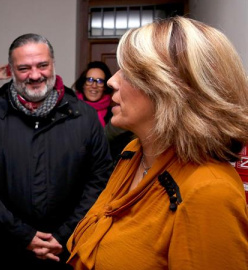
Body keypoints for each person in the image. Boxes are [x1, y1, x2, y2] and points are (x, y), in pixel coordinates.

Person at [66, 16, 248, 270]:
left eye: (128, 72)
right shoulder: (135, 153)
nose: (111, 82)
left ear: (171, 89)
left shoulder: (209, 192)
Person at [0, 33, 112, 270]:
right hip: (4, 251)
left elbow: (99, 181)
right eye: (24, 68)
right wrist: (23, 235)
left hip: (67, 250)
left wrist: (63, 234)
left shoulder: (85, 117)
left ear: (53, 64)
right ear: (11, 71)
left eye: (42, 65)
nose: (35, 75)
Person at [73, 61, 133, 159]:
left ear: (105, 87)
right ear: (83, 84)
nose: (94, 85)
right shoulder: (70, 111)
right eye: (90, 80)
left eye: (100, 81)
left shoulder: (114, 116)